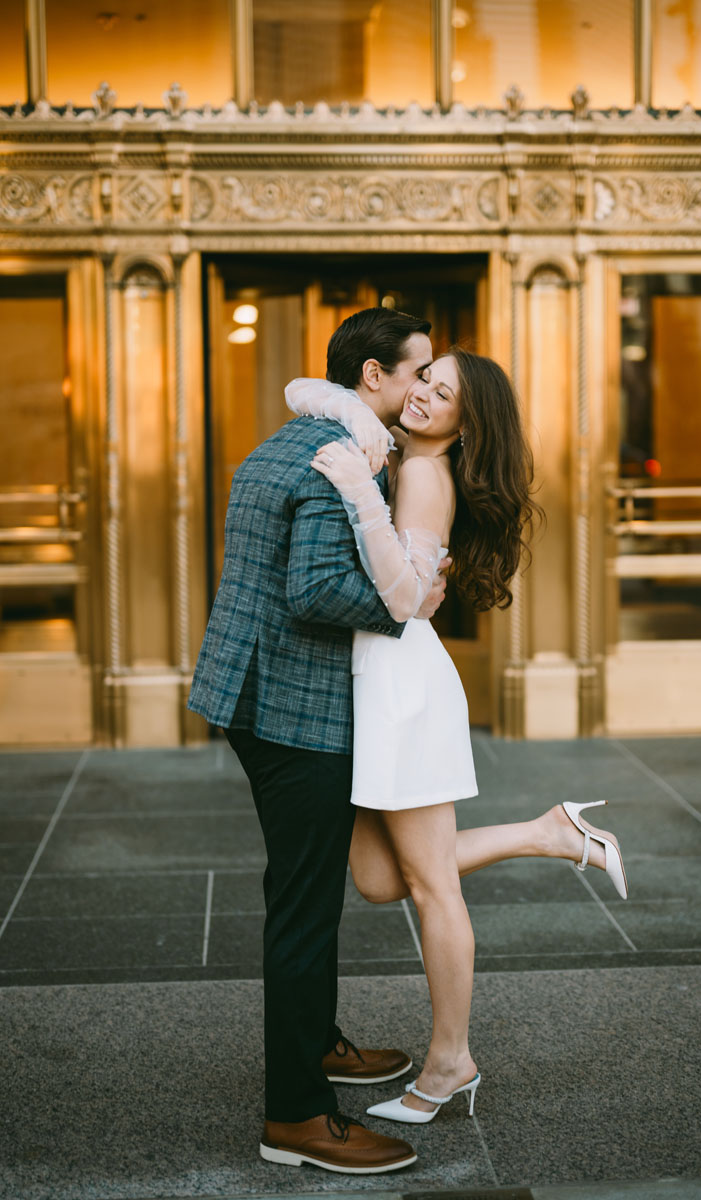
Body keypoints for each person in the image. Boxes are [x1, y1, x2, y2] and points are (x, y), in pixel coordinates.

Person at [288, 345, 628, 1125]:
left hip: (402, 687)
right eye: (424, 381)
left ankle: (450, 1064)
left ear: (467, 423)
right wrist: (344, 411)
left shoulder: (421, 477)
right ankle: (551, 832)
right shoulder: (401, 454)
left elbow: (402, 594)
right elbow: (303, 389)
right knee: (379, 880)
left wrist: (355, 492)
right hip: (383, 682)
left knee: (434, 888)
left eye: (443, 395)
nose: (423, 398)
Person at [188, 308, 452, 1175]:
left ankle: (319, 1040)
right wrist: (408, 600)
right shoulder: (341, 462)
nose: (422, 389)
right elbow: (315, 591)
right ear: (372, 376)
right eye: (416, 372)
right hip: (292, 713)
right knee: (303, 908)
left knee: (299, 894)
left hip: (254, 695)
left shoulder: (293, 437)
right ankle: (297, 1117)